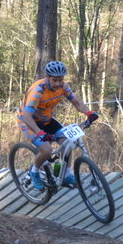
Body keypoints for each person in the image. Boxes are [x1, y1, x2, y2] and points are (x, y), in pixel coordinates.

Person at [16, 60, 99, 191]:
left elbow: (76, 101)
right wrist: (39, 133)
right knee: (47, 149)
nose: (58, 83)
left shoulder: (63, 87)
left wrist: (88, 112)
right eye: (54, 80)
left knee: (68, 143)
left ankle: (64, 175)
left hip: (46, 120)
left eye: (60, 80)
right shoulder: (38, 91)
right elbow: (26, 116)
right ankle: (34, 172)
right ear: (47, 77)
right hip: (28, 121)